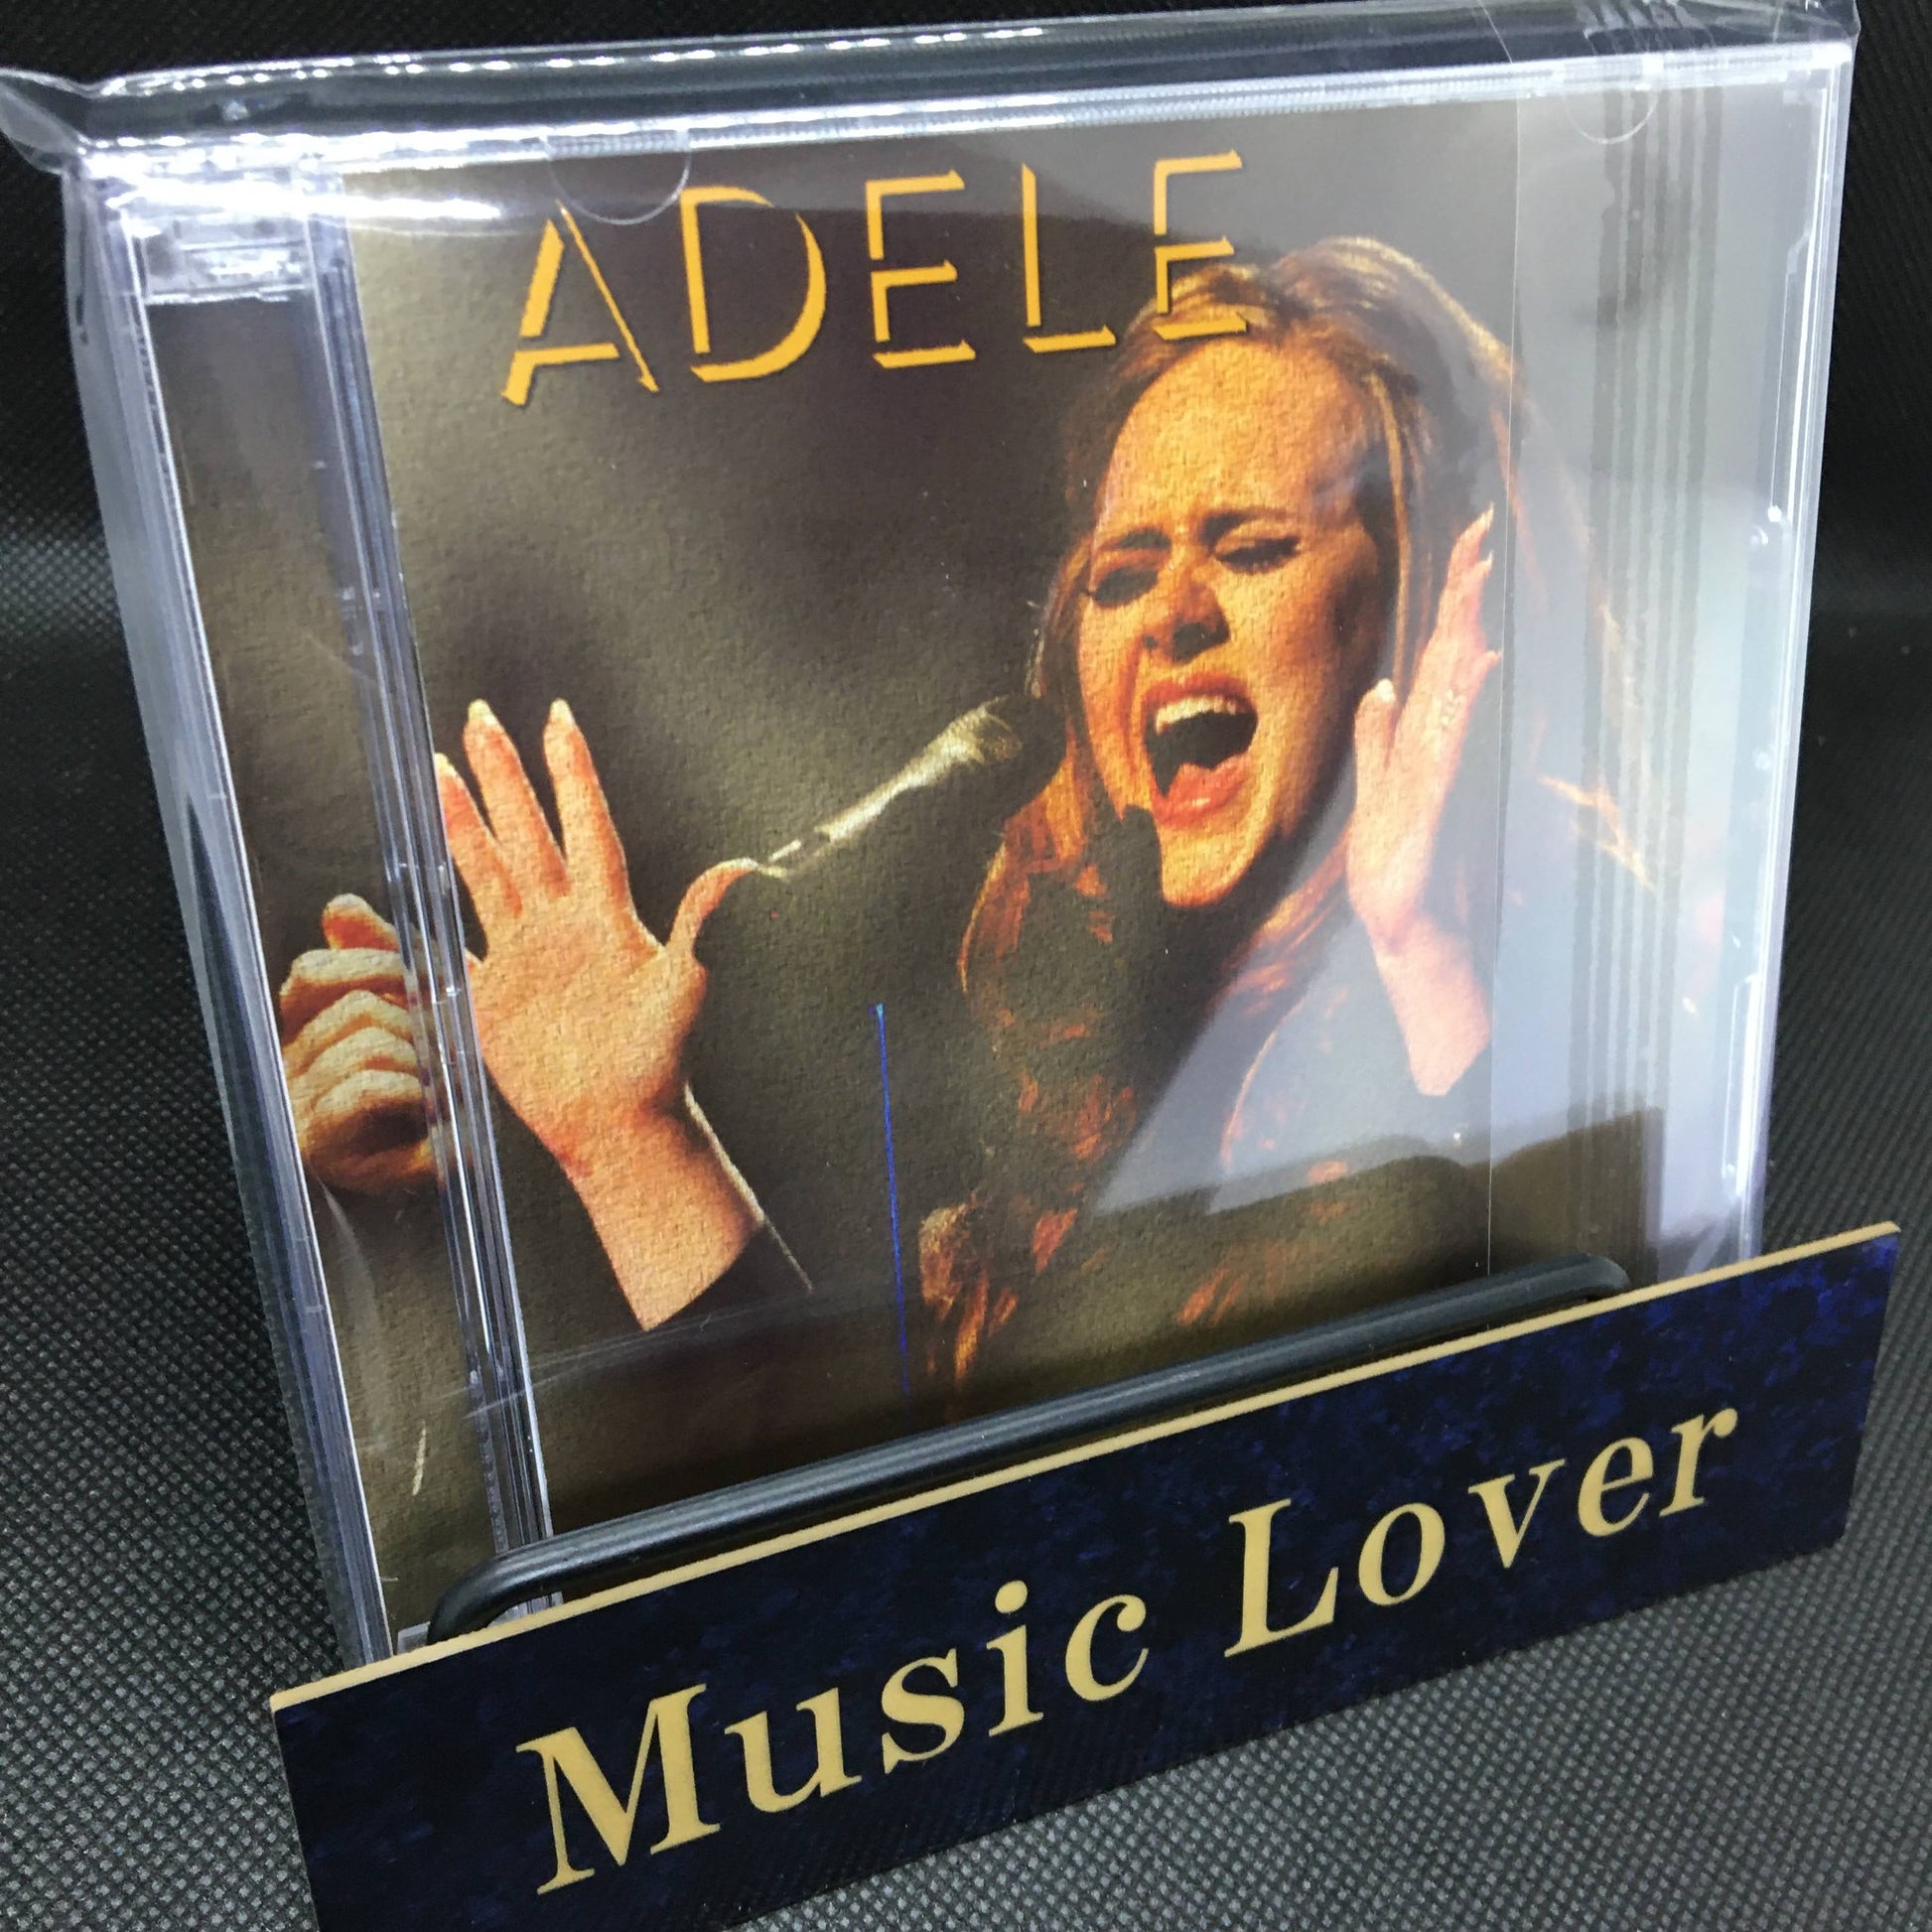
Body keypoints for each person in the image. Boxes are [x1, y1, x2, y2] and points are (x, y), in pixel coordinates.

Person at [278, 239, 1527, 1428]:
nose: (1170, 614)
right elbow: (881, 1509)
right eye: (1117, 573)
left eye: (1251, 548)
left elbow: (1543, 1386)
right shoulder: (1084, 1060)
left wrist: (1426, 960)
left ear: (1417, 605)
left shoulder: (1549, 956)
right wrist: (624, 1138)